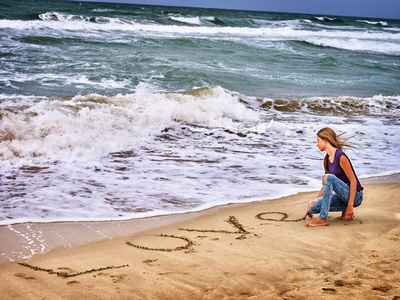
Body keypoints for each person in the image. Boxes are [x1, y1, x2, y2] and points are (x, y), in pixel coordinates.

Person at [304, 127, 363, 227]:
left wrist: (350, 206)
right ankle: (341, 211)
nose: (317, 144)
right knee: (311, 206)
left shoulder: (340, 156)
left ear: (326, 141)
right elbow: (326, 185)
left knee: (328, 177)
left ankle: (323, 218)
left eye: (318, 141)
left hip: (356, 196)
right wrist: (316, 201)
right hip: (342, 197)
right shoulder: (327, 159)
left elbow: (353, 181)